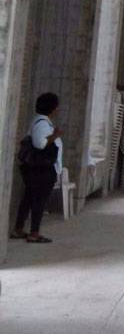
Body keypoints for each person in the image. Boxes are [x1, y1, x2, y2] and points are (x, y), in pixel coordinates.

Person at [10, 93, 63, 243]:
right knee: (38, 201)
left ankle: (19, 229)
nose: (58, 109)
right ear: (52, 108)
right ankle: (34, 233)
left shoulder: (41, 122)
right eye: (56, 106)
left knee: (28, 198)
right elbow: (40, 144)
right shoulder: (42, 124)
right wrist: (55, 135)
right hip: (41, 170)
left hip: (37, 169)